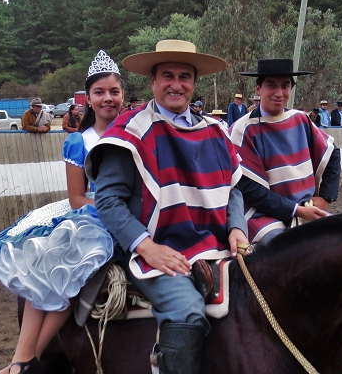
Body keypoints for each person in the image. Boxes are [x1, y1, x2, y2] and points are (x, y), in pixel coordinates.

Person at [87, 40, 248, 374]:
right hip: (157, 248)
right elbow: (108, 200)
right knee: (185, 310)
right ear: (152, 82)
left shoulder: (216, 130)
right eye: (168, 76)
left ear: (193, 82)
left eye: (185, 77)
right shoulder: (130, 132)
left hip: (215, 244)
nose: (177, 84)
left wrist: (237, 227)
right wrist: (147, 248)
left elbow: (232, 189)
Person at [0, 50, 124, 374]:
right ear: (88, 99)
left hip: (125, 216)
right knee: (51, 265)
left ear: (123, 96)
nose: (108, 98)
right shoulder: (80, 141)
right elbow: (77, 198)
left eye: (114, 92)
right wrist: (112, 208)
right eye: (99, 92)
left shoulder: (135, 137)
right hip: (92, 215)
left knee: (68, 273)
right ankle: (22, 358)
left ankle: (27, 359)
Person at [230, 58, 340, 245]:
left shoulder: (300, 120)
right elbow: (249, 189)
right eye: (271, 85)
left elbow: (333, 153)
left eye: (285, 86)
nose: (279, 93)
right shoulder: (242, 129)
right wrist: (295, 210)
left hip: (306, 208)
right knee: (287, 250)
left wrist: (325, 197)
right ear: (259, 89)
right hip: (262, 215)